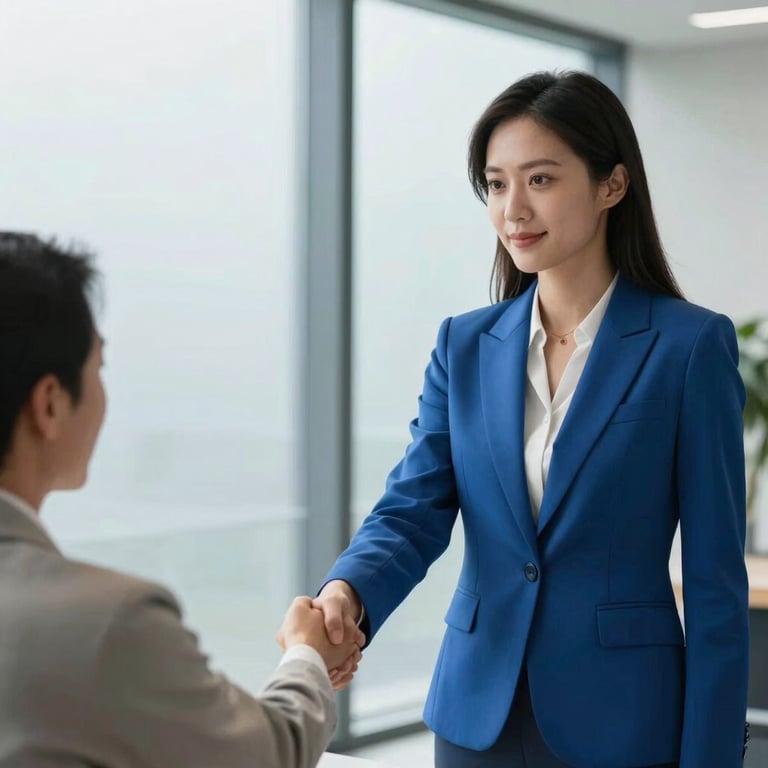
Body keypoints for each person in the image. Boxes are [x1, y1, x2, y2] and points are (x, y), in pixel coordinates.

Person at [314, 71, 749, 767]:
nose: (513, 208)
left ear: (612, 185)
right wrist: (346, 593)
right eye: (495, 184)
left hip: (623, 719)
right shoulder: (464, 344)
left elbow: (715, 586)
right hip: (475, 713)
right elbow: (412, 509)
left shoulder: (688, 347)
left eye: (540, 180)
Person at [0, 232, 364, 768]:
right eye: (98, 368)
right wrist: (306, 654)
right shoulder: (107, 624)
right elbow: (271, 752)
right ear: (50, 404)